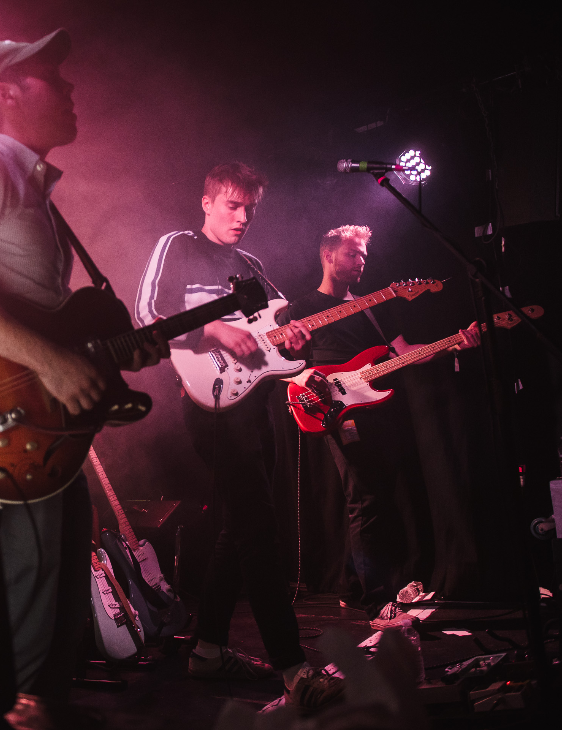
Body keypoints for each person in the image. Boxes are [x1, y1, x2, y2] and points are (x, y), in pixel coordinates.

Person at [0, 29, 165, 730]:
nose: (73, 90)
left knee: (53, 612)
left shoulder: (39, 196)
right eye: (56, 79)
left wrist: (106, 351)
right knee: (27, 607)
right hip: (8, 433)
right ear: (5, 92)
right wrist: (52, 361)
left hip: (48, 438)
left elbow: (51, 326)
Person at [134, 162, 343, 712]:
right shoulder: (175, 246)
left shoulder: (250, 265)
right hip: (209, 404)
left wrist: (294, 340)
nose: (243, 217)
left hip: (256, 405)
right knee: (257, 527)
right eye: (232, 205)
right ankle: (294, 669)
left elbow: (275, 337)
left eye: (250, 208)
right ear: (206, 203)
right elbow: (148, 313)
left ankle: (207, 649)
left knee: (238, 521)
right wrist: (213, 327)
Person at [278, 225, 479, 629]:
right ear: (328, 256)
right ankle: (376, 603)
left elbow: (402, 353)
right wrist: (306, 378)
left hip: (380, 407)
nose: (361, 261)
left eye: (365, 254)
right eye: (352, 253)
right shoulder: (299, 308)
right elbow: (283, 365)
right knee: (366, 501)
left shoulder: (373, 305)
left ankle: (353, 591)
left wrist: (452, 343)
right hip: (337, 409)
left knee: (380, 498)